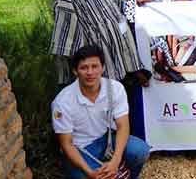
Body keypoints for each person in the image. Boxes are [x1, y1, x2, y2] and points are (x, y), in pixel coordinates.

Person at [51, 45, 150, 179]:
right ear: (75, 71)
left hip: (107, 139)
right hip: (81, 148)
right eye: (84, 67)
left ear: (103, 68)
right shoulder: (62, 102)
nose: (90, 72)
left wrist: (115, 160)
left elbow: (123, 126)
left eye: (94, 66)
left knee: (140, 151)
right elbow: (66, 144)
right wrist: (90, 173)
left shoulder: (115, 88)